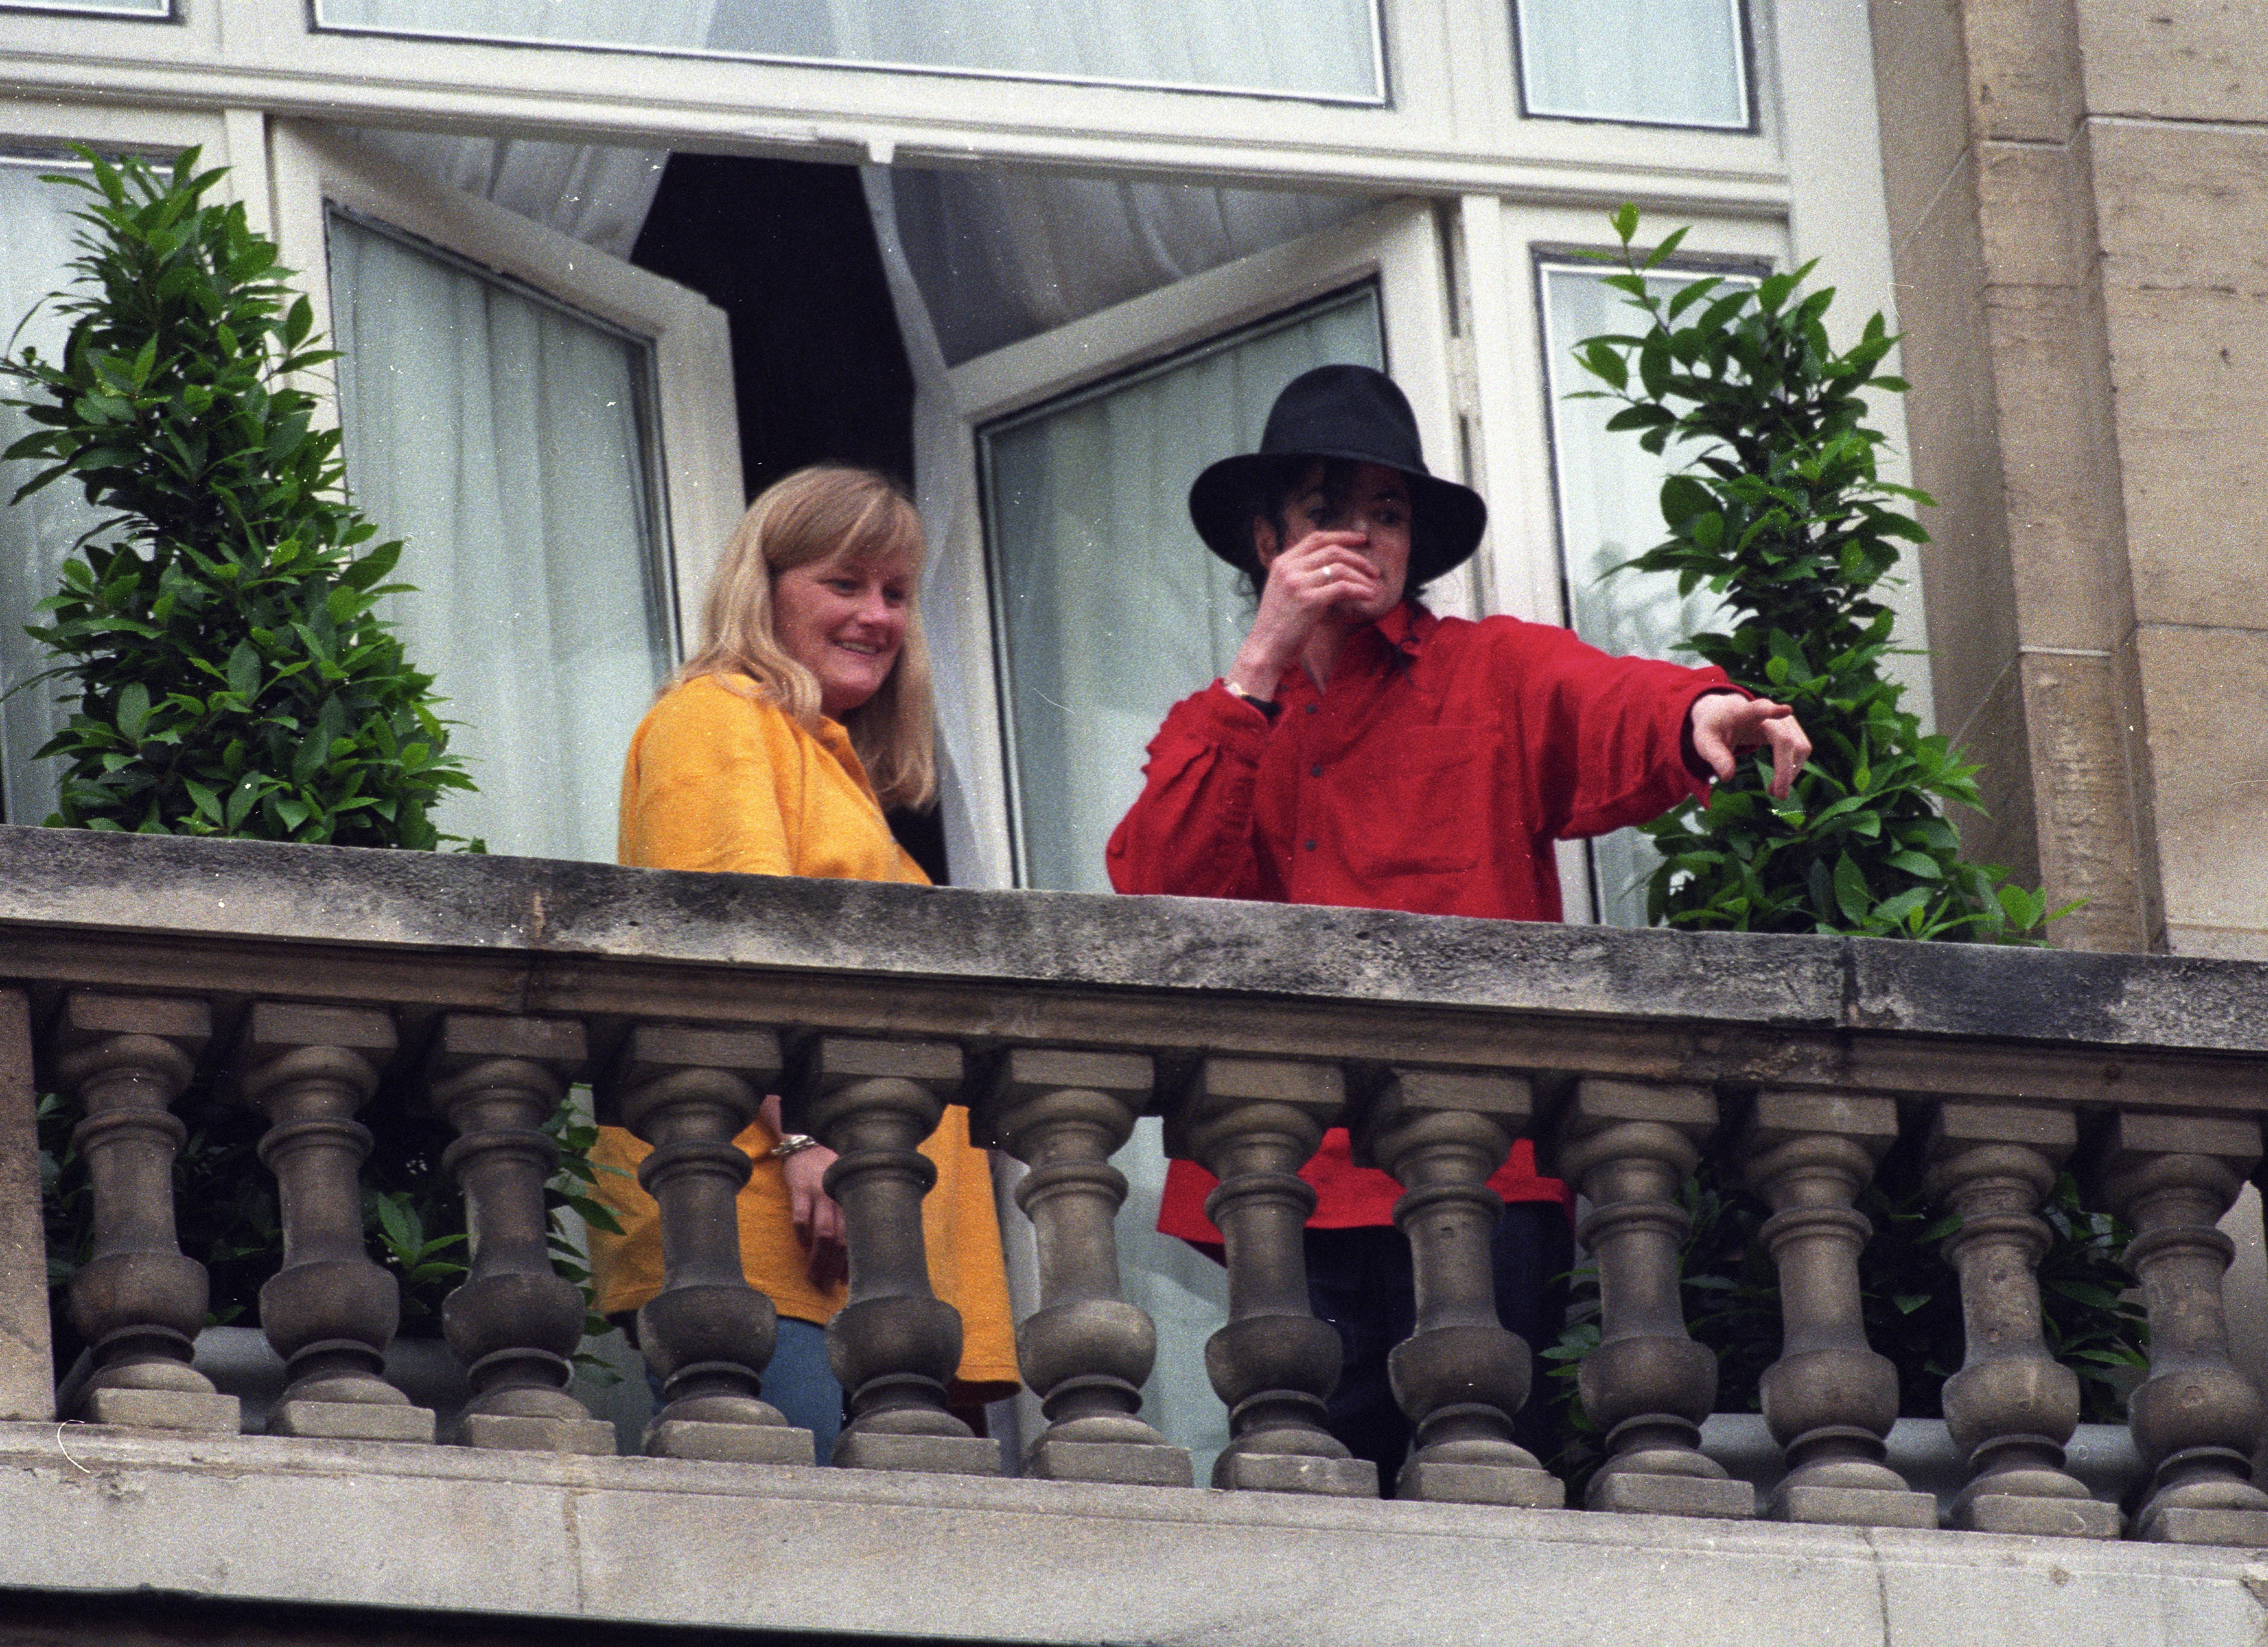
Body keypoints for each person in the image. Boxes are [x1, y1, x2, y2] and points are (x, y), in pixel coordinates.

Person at [1106, 364, 1808, 1483]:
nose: (1363, 537)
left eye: (1387, 515)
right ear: (1265, 542)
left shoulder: (1489, 671)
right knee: (1307, 1481)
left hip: (1477, 1170)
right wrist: (1261, 661)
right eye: (1329, 511)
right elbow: (1156, 891)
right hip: (1288, 1172)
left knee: (1484, 1476)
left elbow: (1609, 696)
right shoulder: (1227, 721)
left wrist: (1701, 709)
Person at [587, 465, 1020, 1460]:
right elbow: (734, 955)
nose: (877, 615)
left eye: (897, 593)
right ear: (765, 586)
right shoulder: (720, 716)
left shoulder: (826, 763)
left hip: (863, 1253)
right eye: (846, 583)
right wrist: (805, 1139)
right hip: (771, 1237)